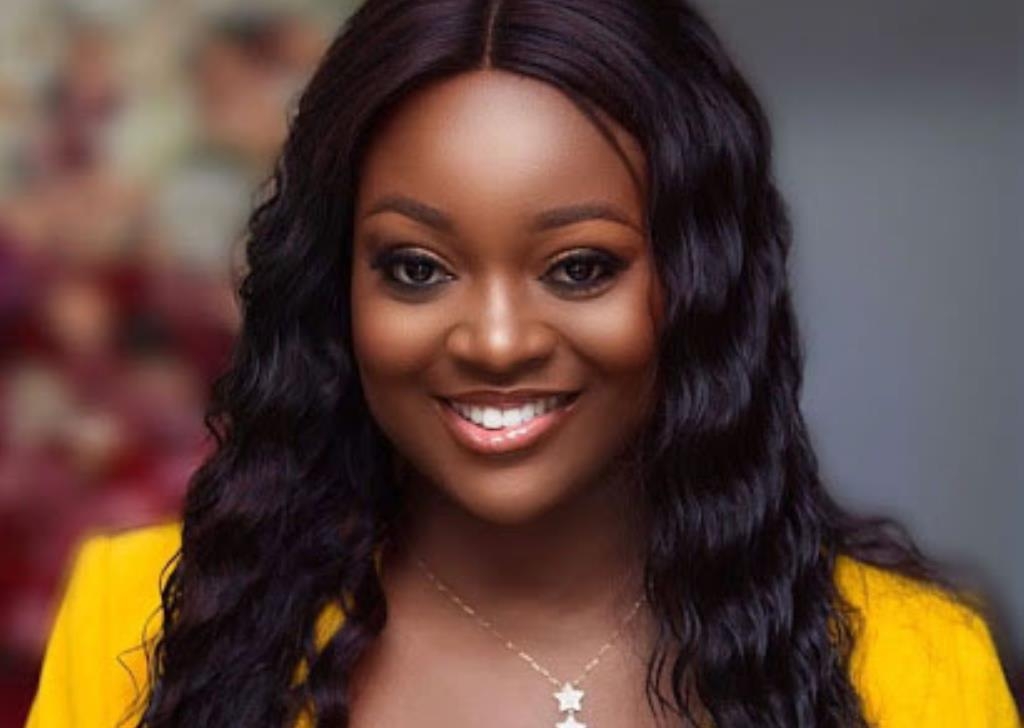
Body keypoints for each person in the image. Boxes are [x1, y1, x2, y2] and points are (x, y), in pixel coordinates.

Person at [25, 1, 1020, 726]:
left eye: (579, 267)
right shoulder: (141, 628)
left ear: (700, 279)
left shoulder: (915, 668)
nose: (496, 342)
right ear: (337, 287)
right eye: (417, 268)